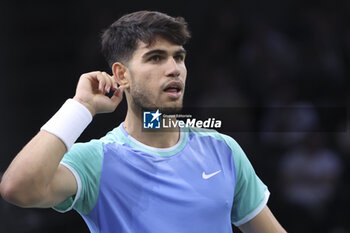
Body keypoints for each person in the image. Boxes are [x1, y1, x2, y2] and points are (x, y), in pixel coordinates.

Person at [0, 11, 286, 233]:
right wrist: (81, 107)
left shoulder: (223, 149)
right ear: (121, 75)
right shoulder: (96, 160)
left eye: (179, 57)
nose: (174, 69)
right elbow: (18, 189)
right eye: (156, 58)